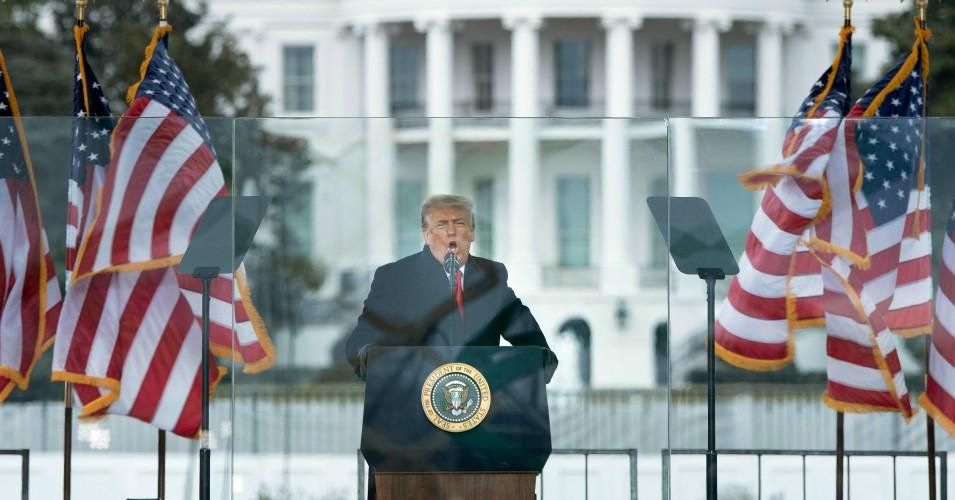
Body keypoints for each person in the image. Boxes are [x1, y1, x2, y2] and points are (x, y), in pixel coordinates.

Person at [346, 194, 557, 378]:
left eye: (459, 223)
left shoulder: (492, 279)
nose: (451, 232)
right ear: (427, 234)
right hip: (412, 404)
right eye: (440, 224)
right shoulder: (395, 277)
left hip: (479, 407)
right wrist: (372, 358)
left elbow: (531, 342)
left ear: (472, 232)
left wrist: (539, 360)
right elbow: (362, 340)